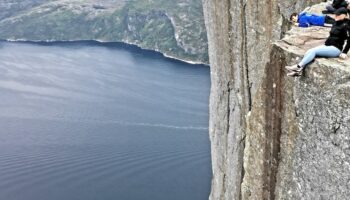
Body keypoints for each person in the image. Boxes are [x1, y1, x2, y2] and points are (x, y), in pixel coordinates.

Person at [286, 8, 350, 77]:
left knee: (314, 51)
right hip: (328, 45)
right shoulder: (336, 23)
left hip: (336, 49)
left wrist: (344, 52)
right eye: (335, 14)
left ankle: (298, 67)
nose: (335, 16)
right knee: (309, 51)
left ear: (343, 15)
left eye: (338, 15)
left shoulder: (346, 25)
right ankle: (299, 71)